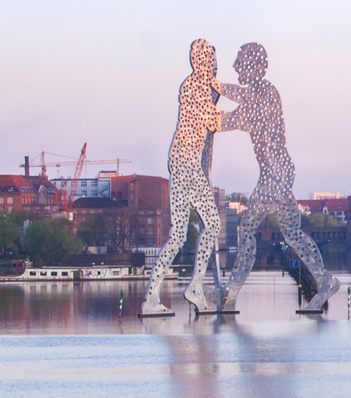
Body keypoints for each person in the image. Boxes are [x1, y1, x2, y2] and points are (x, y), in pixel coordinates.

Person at [213, 42, 339, 312]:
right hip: (276, 172)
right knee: (292, 234)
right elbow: (230, 115)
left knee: (246, 229)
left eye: (240, 62)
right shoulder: (256, 96)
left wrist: (212, 88)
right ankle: (324, 280)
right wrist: (214, 95)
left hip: (276, 173)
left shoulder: (265, 93)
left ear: (256, 66)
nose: (236, 66)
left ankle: (231, 295)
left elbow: (227, 118)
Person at [140, 39, 232, 315]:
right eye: (211, 61)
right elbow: (214, 121)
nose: (214, 66)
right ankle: (194, 286)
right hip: (187, 164)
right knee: (213, 225)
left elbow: (209, 130)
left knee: (178, 235)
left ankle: (151, 298)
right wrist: (245, 116)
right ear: (201, 61)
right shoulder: (194, 87)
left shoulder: (197, 87)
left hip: (179, 163)